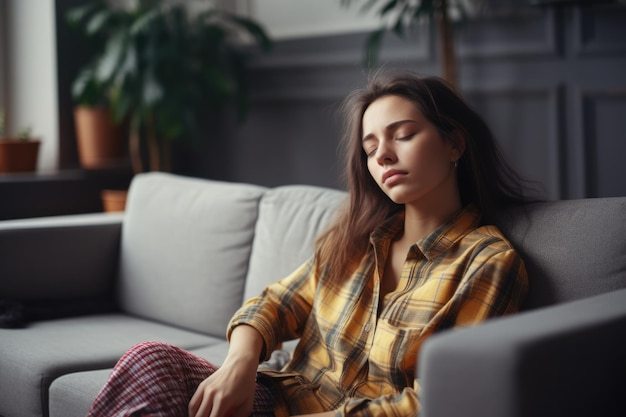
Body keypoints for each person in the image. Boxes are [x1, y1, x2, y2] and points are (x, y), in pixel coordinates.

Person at [87, 71, 530, 417]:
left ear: (454, 143)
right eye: (370, 148)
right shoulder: (355, 241)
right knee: (150, 359)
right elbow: (275, 303)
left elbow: (436, 403)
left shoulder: (487, 262)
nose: (384, 157)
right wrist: (239, 365)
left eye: (403, 135)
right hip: (281, 399)